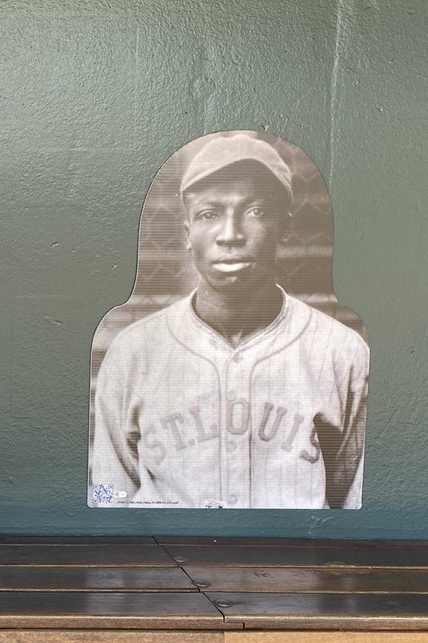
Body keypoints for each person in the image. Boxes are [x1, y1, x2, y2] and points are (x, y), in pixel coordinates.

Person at [90, 133, 369, 509]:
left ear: (284, 227)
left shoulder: (342, 353)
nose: (231, 235)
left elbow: (351, 505)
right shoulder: (132, 352)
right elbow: (109, 497)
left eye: (255, 211)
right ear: (188, 233)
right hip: (165, 560)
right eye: (210, 214)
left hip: (292, 564)